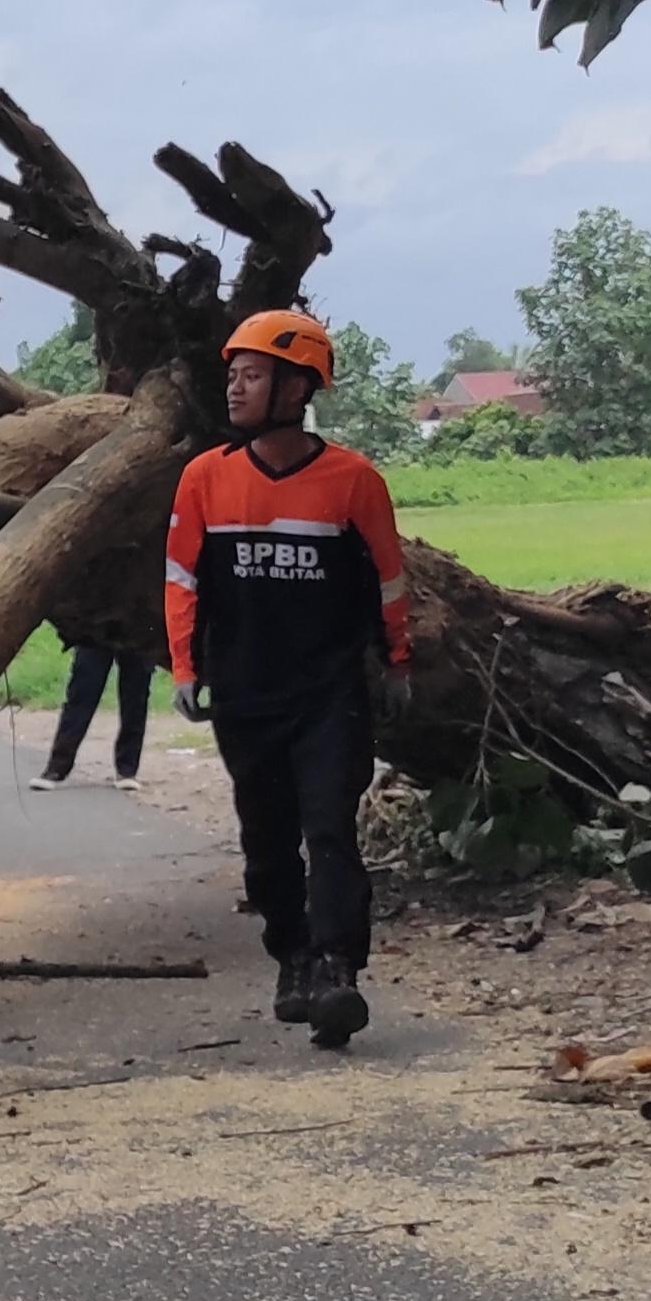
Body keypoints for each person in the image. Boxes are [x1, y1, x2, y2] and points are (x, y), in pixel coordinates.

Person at [164, 311, 411, 1050]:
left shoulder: (354, 481)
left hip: (328, 694)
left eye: (251, 375)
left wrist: (398, 661)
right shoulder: (205, 478)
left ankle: (338, 968)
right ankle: (294, 961)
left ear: (296, 385)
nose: (234, 389)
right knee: (267, 842)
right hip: (246, 694)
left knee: (331, 829)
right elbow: (181, 578)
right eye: (232, 375)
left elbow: (389, 583)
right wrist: (185, 664)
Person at [30, 643, 153, 792]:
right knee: (81, 693)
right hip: (96, 628)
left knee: (136, 698)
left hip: (137, 630)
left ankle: (127, 769)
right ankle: (57, 767)